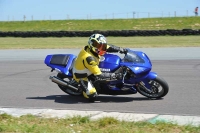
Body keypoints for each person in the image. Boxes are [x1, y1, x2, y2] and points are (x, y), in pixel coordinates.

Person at [72, 33, 127, 100]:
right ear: (92, 45)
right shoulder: (89, 59)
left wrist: (120, 49)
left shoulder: (93, 48)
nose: (102, 48)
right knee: (92, 95)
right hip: (81, 75)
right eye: (99, 46)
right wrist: (115, 75)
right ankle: (83, 90)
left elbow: (108, 47)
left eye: (102, 46)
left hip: (88, 67)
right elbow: (99, 75)